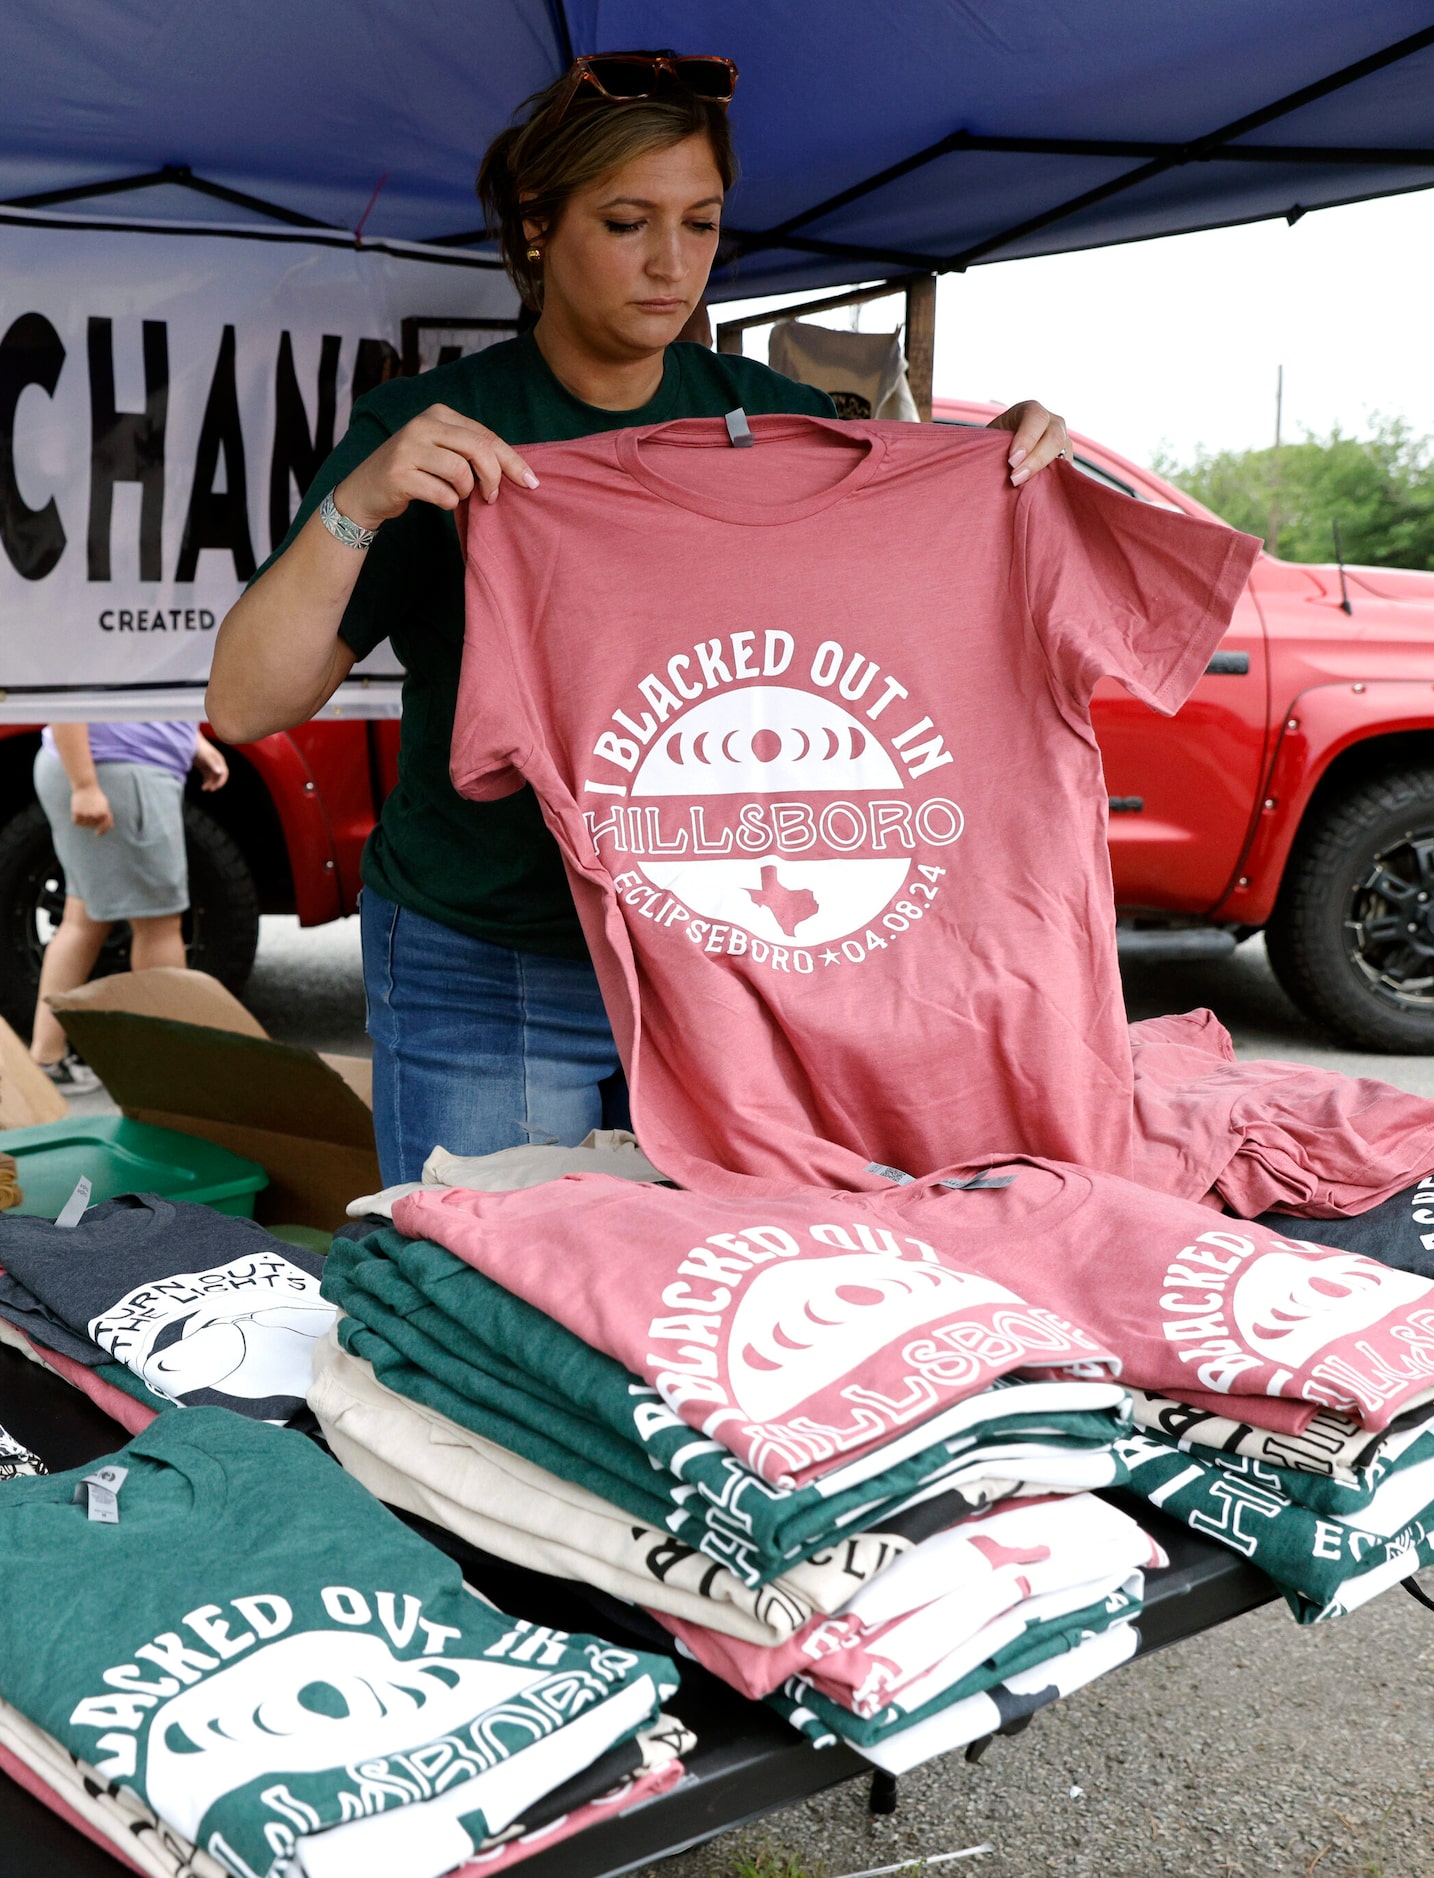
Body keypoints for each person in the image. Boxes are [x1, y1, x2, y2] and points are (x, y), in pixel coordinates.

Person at [205, 51, 1075, 1186]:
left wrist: (982, 481)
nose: (672, 265)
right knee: (504, 1301)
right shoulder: (439, 432)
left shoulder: (776, 423)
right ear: (535, 229)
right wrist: (363, 500)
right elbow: (245, 701)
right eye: (625, 222)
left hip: (738, 958)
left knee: (721, 1298)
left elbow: (918, 635)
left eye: (702, 224)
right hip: (500, 952)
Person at [27, 721, 230, 1090]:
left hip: (105, 767)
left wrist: (190, 739)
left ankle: (46, 1057)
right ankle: (167, 1068)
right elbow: (70, 691)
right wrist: (85, 785)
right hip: (118, 773)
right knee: (159, 925)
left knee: (83, 918)